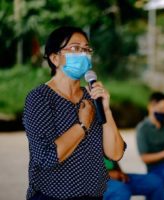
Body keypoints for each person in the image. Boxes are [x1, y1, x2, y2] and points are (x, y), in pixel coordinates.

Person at [23, 26, 126, 200]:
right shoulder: (40, 98)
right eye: (75, 48)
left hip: (93, 195)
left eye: (86, 49)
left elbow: (115, 153)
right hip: (51, 196)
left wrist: (106, 109)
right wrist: (82, 125)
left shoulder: (93, 97)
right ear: (55, 58)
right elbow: (46, 158)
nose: (83, 54)